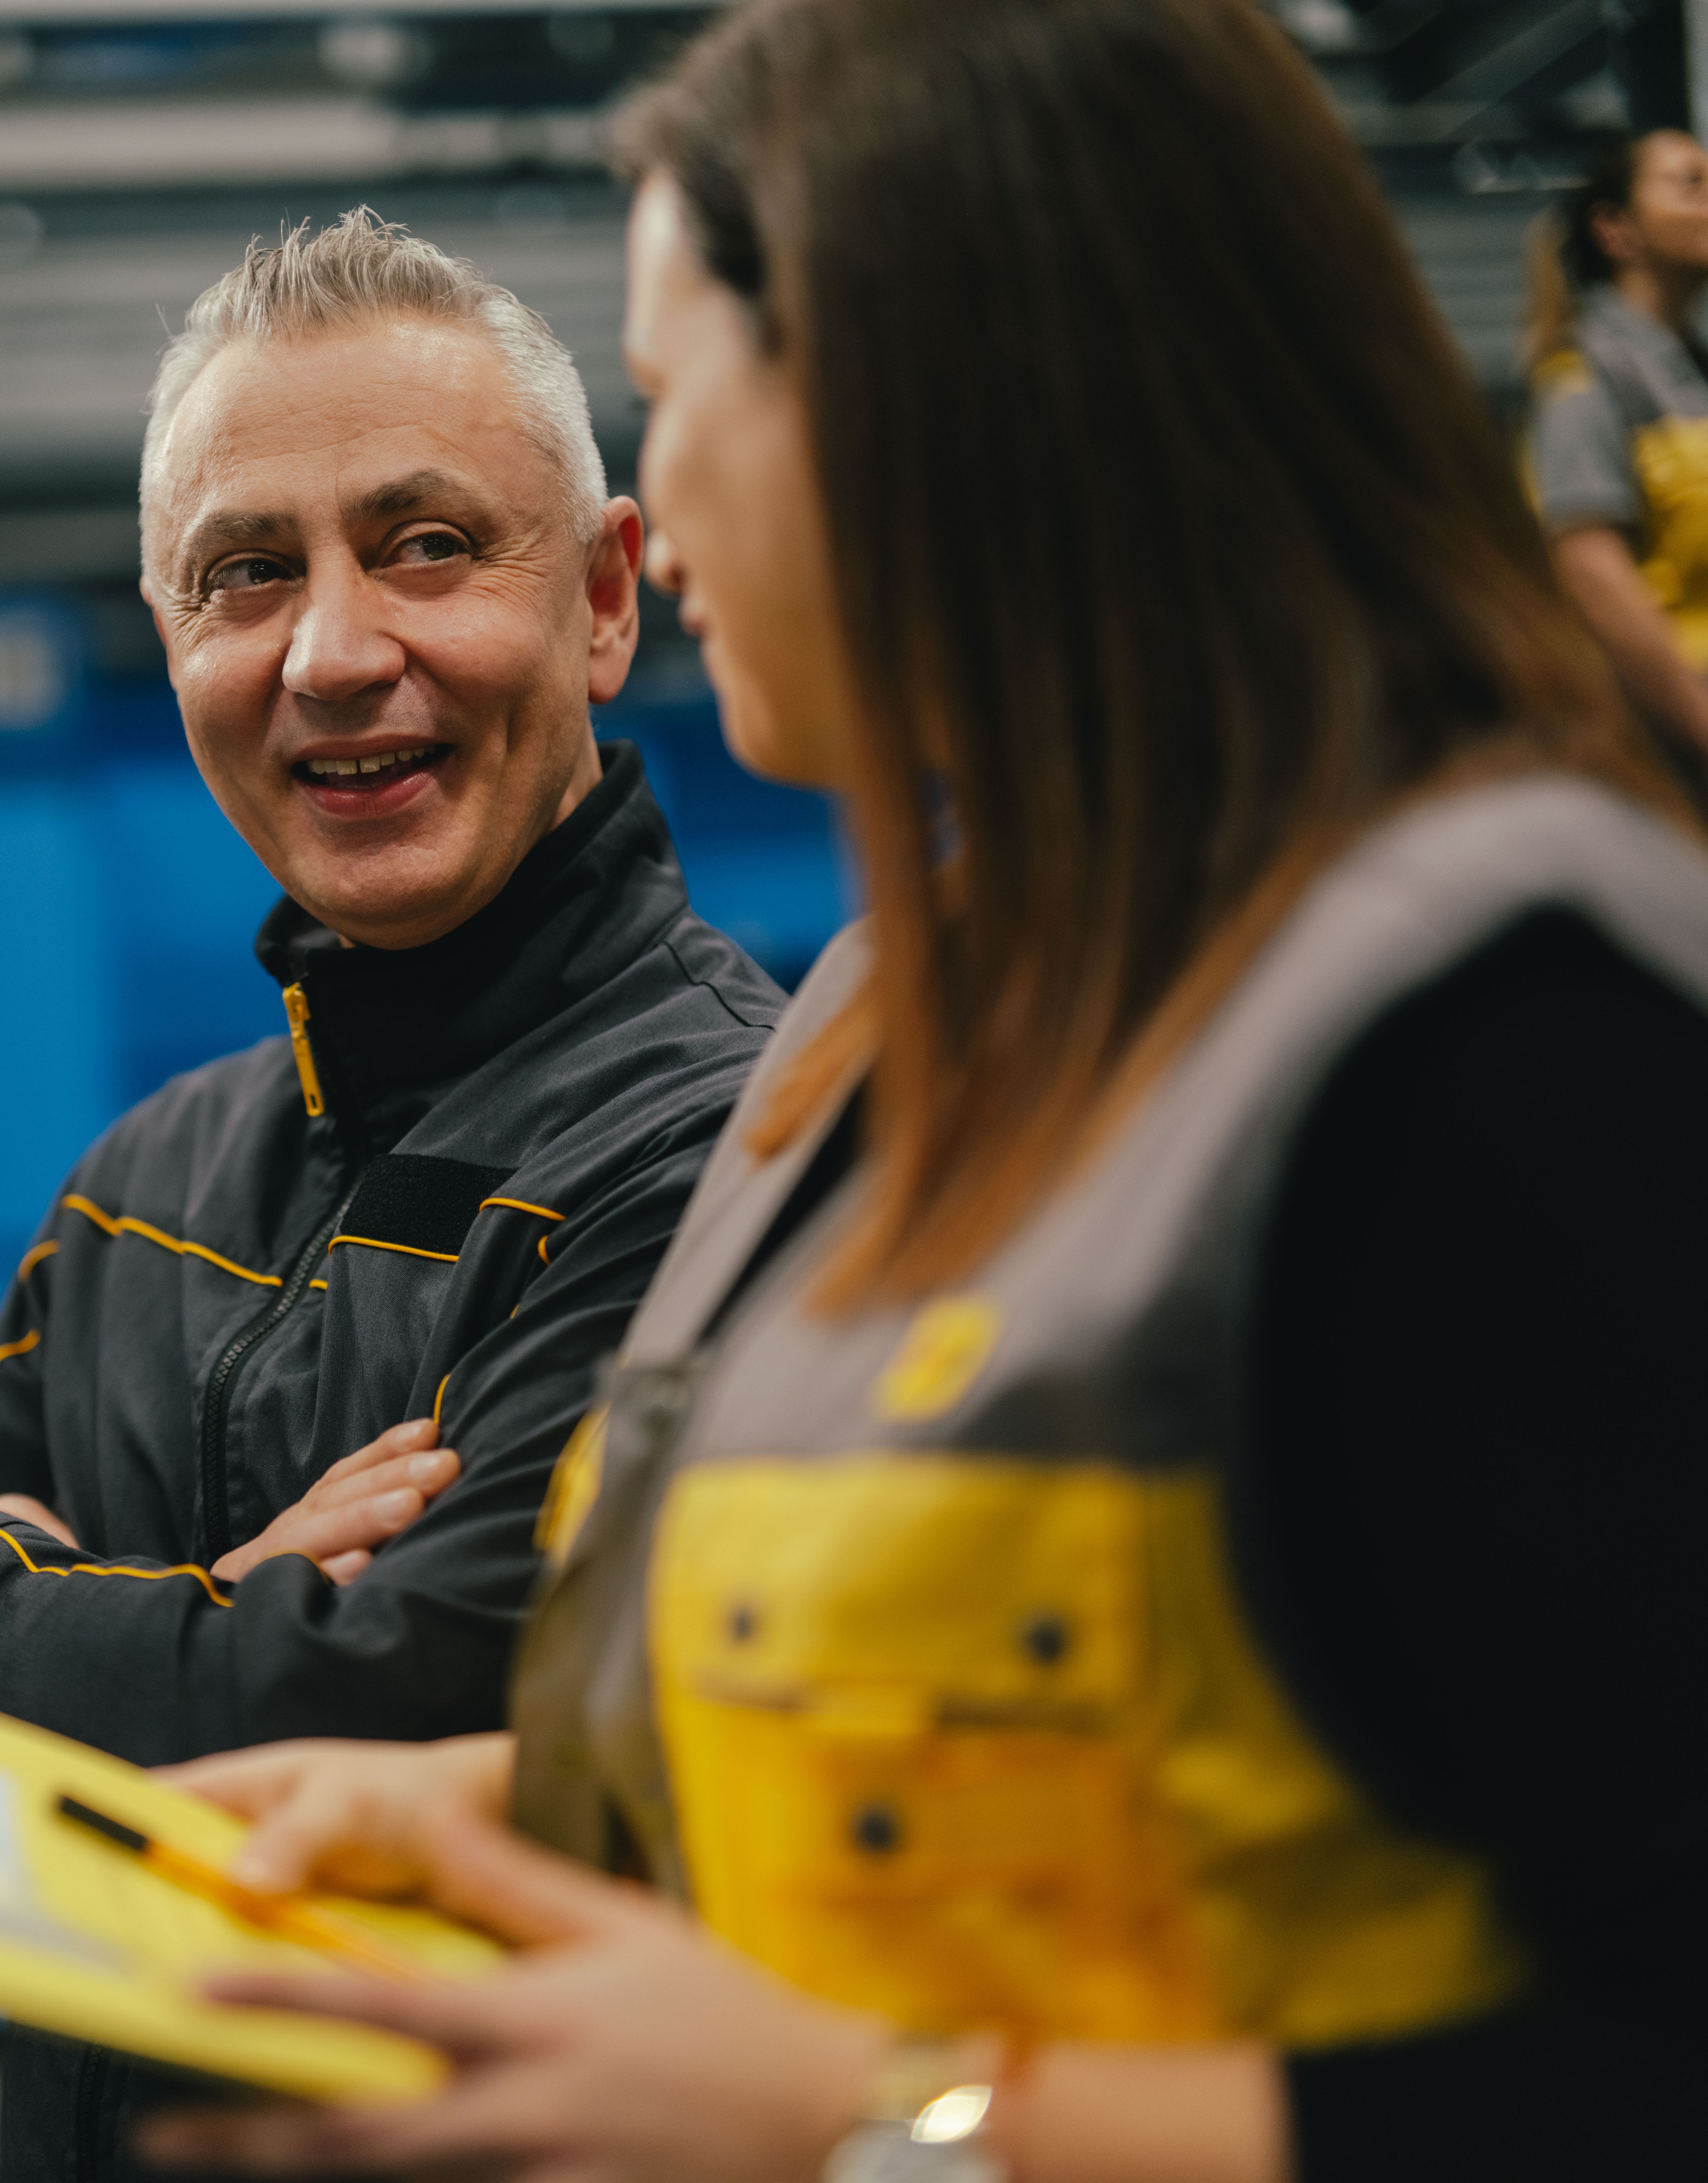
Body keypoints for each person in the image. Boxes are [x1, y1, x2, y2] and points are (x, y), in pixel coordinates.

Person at [126, 5, 1708, 2182]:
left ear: (924, 387)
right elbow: (1003, 1753)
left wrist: (871, 2119)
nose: (655, 518)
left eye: (679, 391)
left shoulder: (1494, 1041)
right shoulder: (893, 1006)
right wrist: (485, 1800)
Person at [0, 211, 785, 2178]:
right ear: (175, 641)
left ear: (604, 603)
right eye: (246, 574)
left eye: (425, 545)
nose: (333, 655)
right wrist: (222, 1618)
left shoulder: (718, 1155)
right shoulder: (143, 1185)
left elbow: (418, 1708)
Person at [1527, 129, 1708, 777]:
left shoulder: (1690, 366)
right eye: (1692, 185)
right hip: (1669, 742)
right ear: (1617, 231)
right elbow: (1591, 573)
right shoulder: (1585, 373)